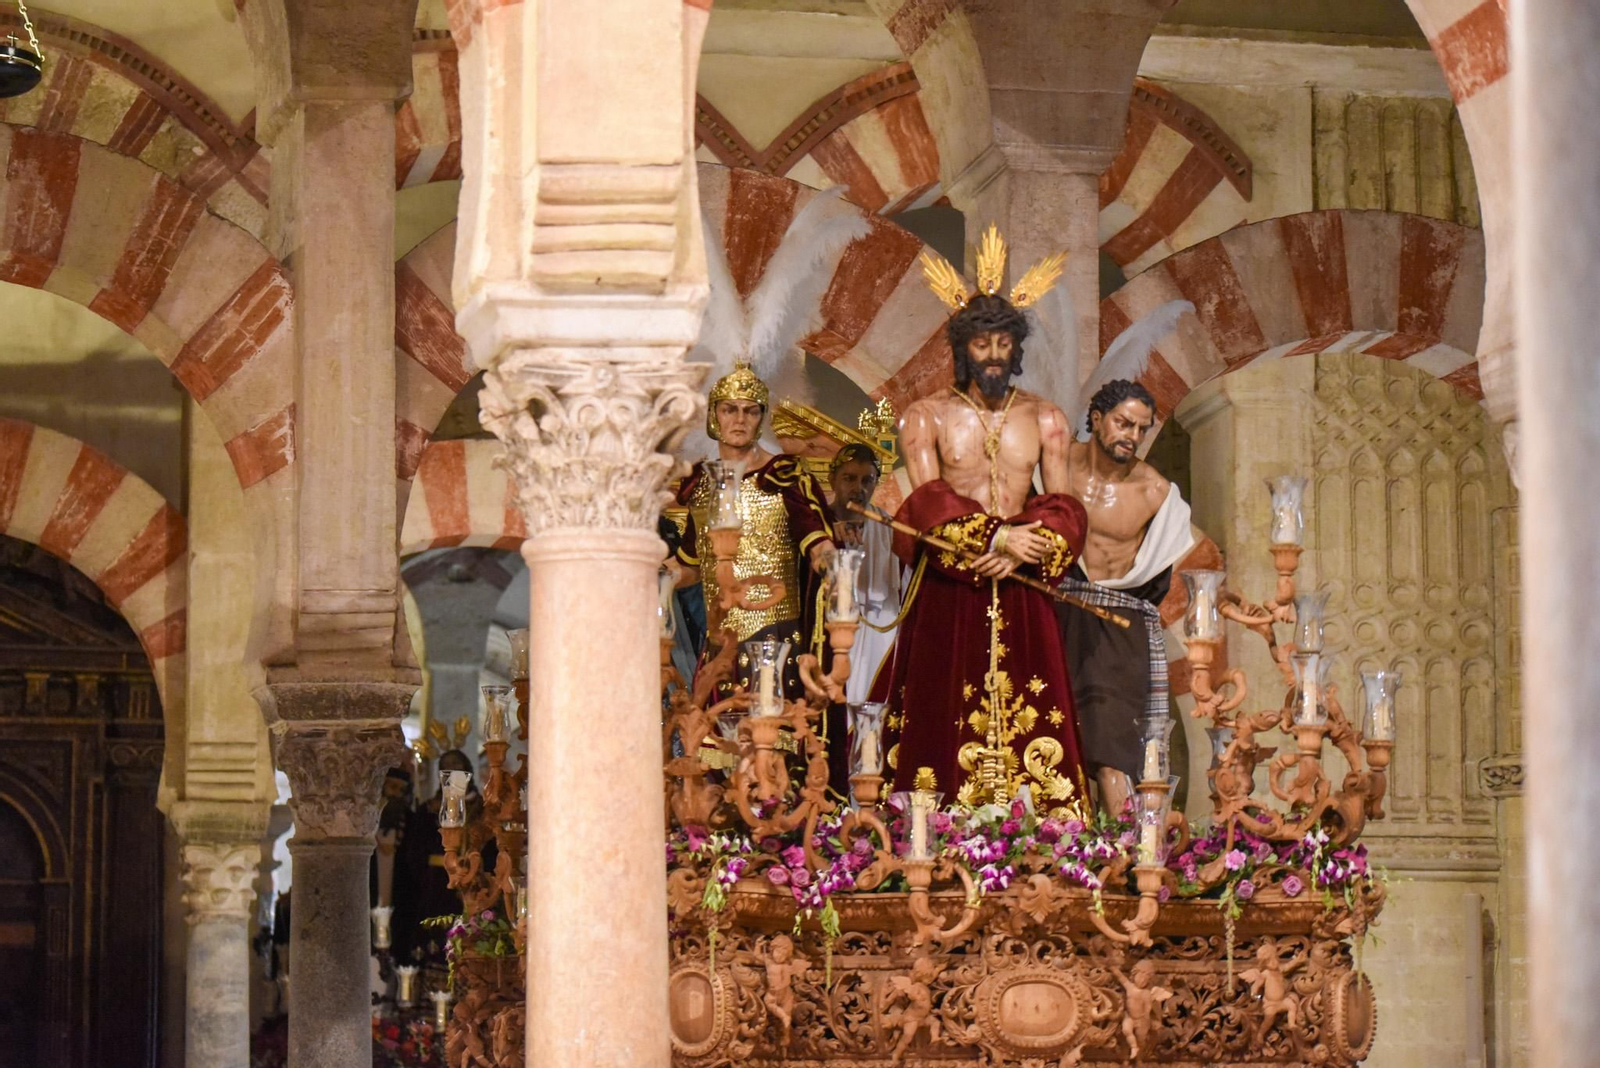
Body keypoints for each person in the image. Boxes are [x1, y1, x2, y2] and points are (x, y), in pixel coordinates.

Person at [872, 229, 1089, 809]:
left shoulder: (1046, 418)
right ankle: (930, 821)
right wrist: (995, 538)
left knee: (1034, 704)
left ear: (1016, 348)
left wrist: (1029, 544)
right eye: (981, 343)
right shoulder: (926, 416)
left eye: (1003, 343)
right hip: (952, 582)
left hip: (1022, 581)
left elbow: (1066, 506)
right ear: (962, 348)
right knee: (940, 704)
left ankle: (1042, 824)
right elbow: (927, 502)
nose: (993, 355)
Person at [1057, 379, 1195, 814]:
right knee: (1051, 732)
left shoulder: (1154, 491)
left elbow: (1160, 571)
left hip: (1116, 625)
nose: (1132, 436)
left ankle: (1123, 841)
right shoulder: (1056, 466)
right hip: (1058, 608)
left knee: (1112, 748)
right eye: (1123, 423)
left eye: (1141, 428)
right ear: (1097, 418)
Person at [669, 364, 838, 697]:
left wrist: (834, 566)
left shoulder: (785, 478)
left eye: (751, 410)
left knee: (774, 728)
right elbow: (690, 566)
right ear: (714, 415)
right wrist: (645, 577)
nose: (740, 419)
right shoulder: (702, 486)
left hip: (775, 635)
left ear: (761, 418)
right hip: (719, 640)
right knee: (712, 728)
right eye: (730, 409)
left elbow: (819, 545)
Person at [821, 442, 900, 793]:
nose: (859, 488)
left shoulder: (886, 525)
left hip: (877, 633)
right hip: (831, 634)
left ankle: (869, 793)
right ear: (833, 479)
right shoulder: (818, 525)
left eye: (867, 480)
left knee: (873, 707)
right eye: (849, 478)